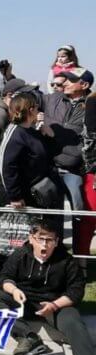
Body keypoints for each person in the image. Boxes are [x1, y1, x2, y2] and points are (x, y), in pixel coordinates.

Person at [0, 217, 96, 355]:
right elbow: (5, 277)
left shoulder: (67, 261)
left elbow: (76, 291)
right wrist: (14, 290)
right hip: (24, 302)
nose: (44, 245)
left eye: (50, 240)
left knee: (74, 323)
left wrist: (54, 305)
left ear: (57, 241)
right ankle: (28, 337)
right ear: (31, 238)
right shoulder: (21, 254)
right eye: (40, 239)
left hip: (55, 306)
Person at [41, 68, 93, 258]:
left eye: (71, 80)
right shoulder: (55, 98)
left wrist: (51, 128)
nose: (65, 83)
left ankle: (80, 260)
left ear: (84, 85)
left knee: (80, 215)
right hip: (51, 169)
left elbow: (74, 133)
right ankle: (57, 255)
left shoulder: (90, 106)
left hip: (75, 170)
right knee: (53, 216)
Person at [0, 93, 64, 221]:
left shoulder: (31, 130)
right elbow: (6, 166)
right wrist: (15, 196)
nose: (39, 110)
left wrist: (45, 129)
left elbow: (50, 151)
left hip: (40, 192)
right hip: (23, 196)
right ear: (31, 110)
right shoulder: (15, 133)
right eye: (37, 107)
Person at [81, 89, 96, 265]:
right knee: (89, 219)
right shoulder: (93, 102)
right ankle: (81, 263)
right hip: (94, 172)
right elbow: (90, 140)